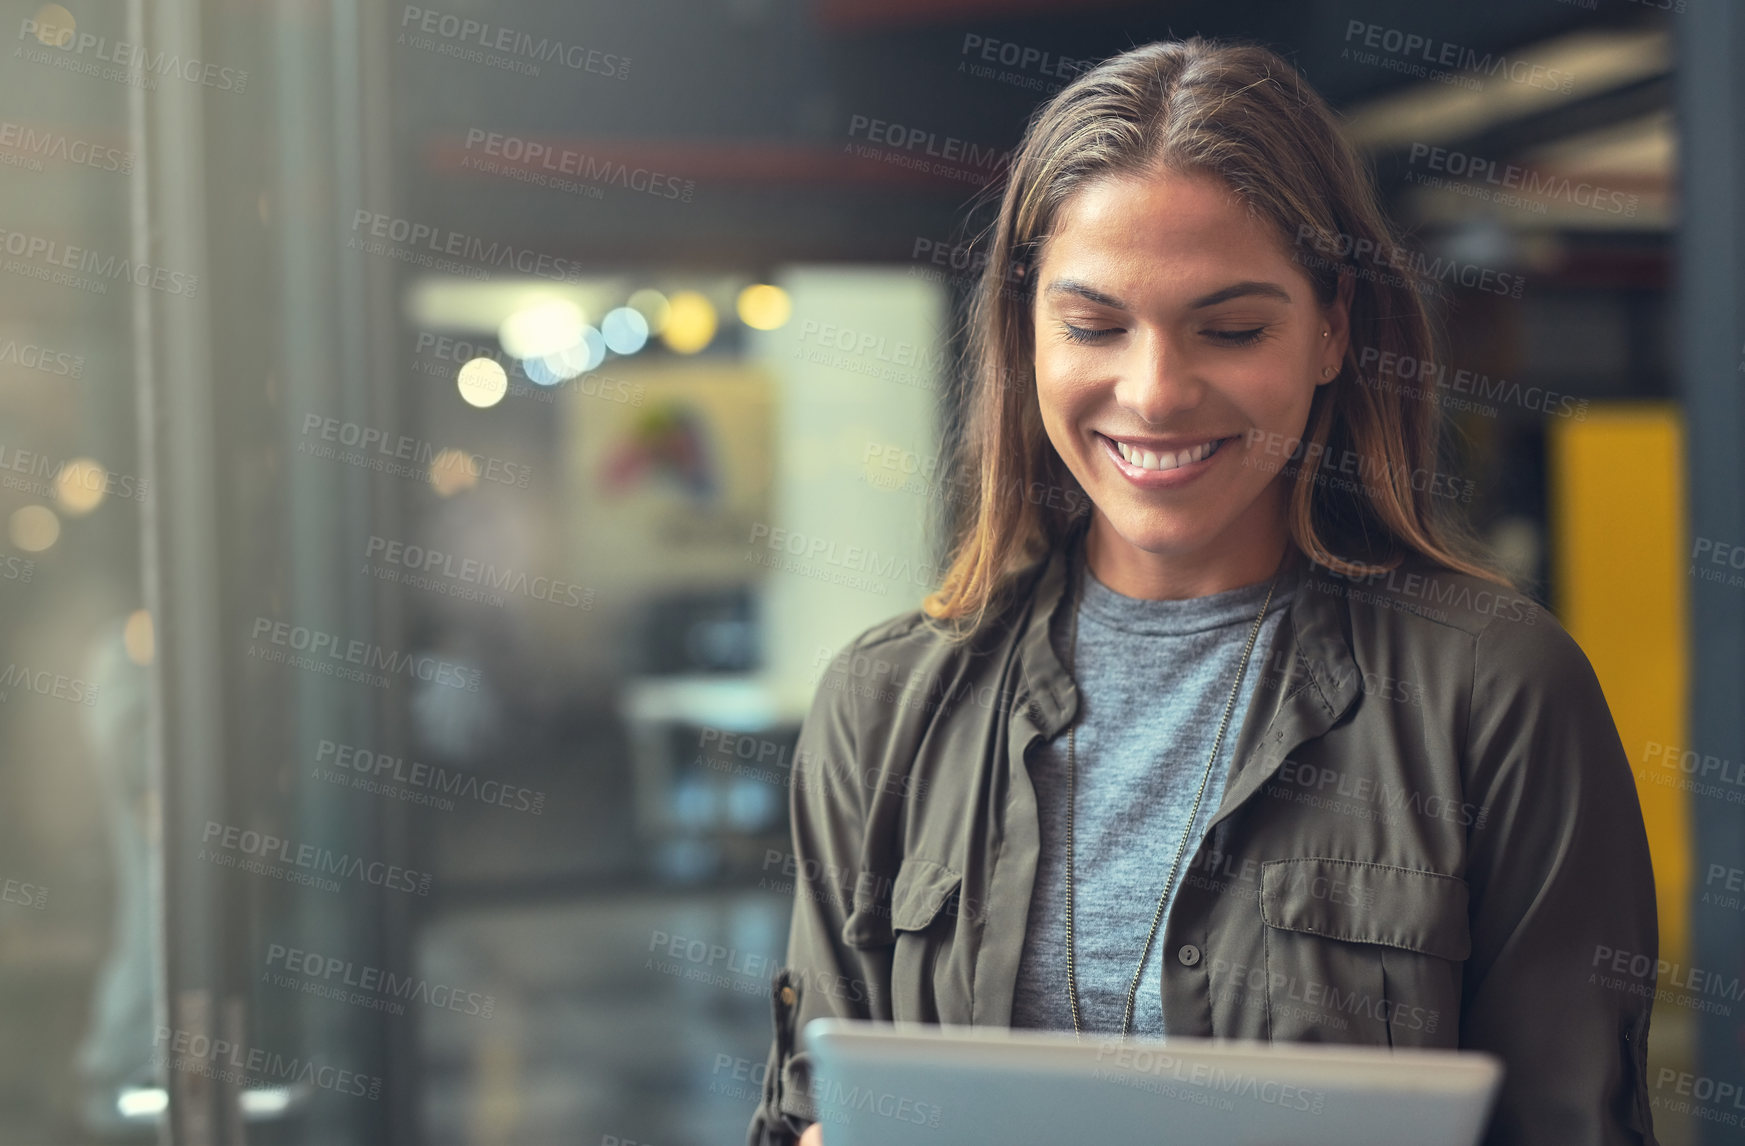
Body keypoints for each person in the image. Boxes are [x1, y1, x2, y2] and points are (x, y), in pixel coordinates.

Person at [747, 36, 1659, 1146]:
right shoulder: (880, 707)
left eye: (1229, 329)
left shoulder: (1495, 693)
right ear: (1022, 331)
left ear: (1330, 329)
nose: (1155, 392)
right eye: (1091, 326)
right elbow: (803, 1116)